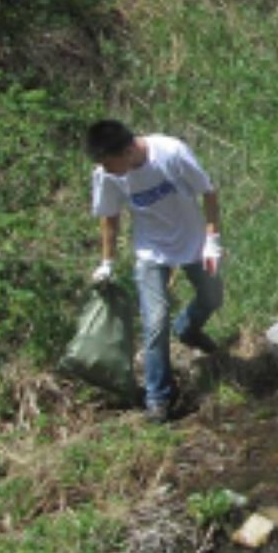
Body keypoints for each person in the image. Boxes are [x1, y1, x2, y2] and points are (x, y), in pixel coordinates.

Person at [85, 119, 224, 423]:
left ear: (127, 150)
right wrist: (107, 262)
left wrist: (212, 240)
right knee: (155, 321)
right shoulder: (106, 176)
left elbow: (208, 192)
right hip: (151, 250)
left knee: (212, 297)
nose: (107, 171)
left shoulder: (171, 153)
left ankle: (187, 329)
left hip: (193, 241)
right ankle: (158, 400)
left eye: (110, 163)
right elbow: (110, 216)